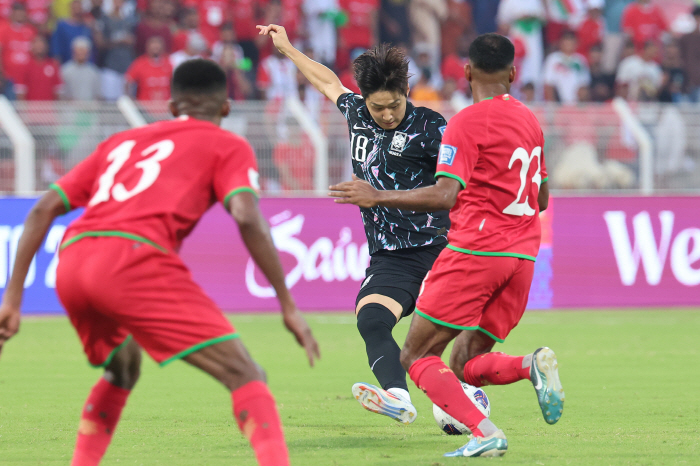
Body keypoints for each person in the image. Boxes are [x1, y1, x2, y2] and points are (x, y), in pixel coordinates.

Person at [0, 58, 320, 466]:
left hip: (72, 258)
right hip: (132, 260)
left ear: (171, 106)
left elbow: (43, 209)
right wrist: (287, 304)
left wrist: (12, 300)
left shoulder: (121, 142)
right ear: (225, 108)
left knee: (124, 365)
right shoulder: (228, 144)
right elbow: (245, 214)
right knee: (247, 375)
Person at [329, 33, 564, 458]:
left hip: (474, 251)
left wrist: (375, 194)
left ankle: (483, 430)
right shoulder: (530, 121)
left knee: (416, 353)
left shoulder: (460, 123)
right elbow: (542, 199)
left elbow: (444, 195)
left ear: (468, 72)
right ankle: (531, 366)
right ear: (513, 74)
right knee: (465, 362)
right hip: (523, 257)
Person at [258, 23, 449, 424]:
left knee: (443, 337)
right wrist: (288, 48)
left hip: (440, 246)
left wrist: (378, 195)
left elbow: (454, 189)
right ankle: (398, 397)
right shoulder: (357, 112)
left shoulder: (431, 128)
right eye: (377, 107)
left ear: (406, 94)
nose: (386, 114)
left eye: (393, 106)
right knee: (372, 320)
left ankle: (466, 401)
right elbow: (327, 80)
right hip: (392, 256)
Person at [61, 36, 101, 100]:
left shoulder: (93, 71)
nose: (81, 53)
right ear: (74, 51)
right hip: (70, 108)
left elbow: (98, 95)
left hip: (90, 108)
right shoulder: (65, 70)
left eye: (84, 50)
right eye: (79, 50)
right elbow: (62, 94)